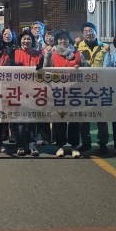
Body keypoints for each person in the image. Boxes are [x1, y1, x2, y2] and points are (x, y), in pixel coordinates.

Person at [44, 29, 86, 158]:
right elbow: (46, 69)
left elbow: (88, 71)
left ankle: (74, 146)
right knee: (59, 120)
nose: (63, 41)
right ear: (57, 40)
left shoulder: (78, 54)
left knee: (74, 120)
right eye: (60, 39)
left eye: (65, 38)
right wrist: (47, 55)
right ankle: (60, 146)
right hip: (58, 92)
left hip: (75, 92)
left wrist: (80, 70)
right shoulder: (52, 53)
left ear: (69, 40)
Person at [76, 22, 108, 153]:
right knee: (84, 116)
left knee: (101, 116)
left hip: (100, 86)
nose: (89, 33)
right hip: (83, 87)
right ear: (82, 34)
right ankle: (86, 142)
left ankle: (103, 143)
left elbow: (108, 65)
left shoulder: (105, 47)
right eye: (86, 31)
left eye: (91, 31)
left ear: (96, 32)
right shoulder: (77, 47)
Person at [13, 29, 43, 156]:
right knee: (20, 120)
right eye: (24, 39)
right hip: (18, 91)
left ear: (32, 41)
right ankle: (21, 145)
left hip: (34, 92)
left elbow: (43, 72)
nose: (26, 41)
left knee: (32, 120)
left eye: (29, 39)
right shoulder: (14, 53)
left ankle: (32, 145)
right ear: (20, 41)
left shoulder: (39, 54)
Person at [29, 21, 51, 144]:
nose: (37, 30)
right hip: (31, 80)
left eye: (40, 28)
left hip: (45, 79)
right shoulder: (28, 42)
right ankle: (33, 136)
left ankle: (45, 137)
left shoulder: (47, 43)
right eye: (35, 28)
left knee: (44, 108)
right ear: (31, 29)